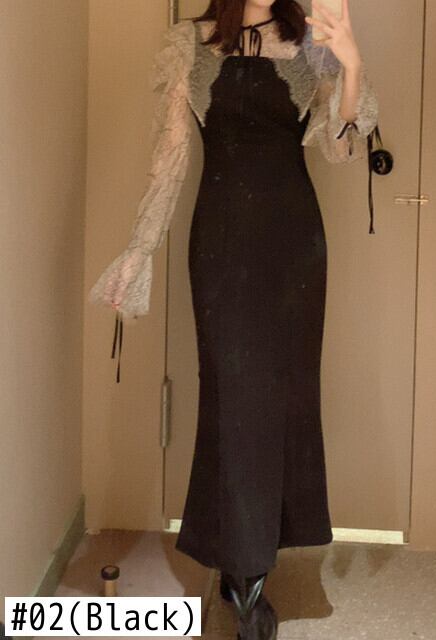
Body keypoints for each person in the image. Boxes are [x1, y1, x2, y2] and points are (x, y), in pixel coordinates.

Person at [88, 0, 379, 637]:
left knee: (284, 398)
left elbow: (340, 148)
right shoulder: (188, 44)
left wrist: (352, 65)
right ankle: (242, 564)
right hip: (221, 239)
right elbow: (170, 156)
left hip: (293, 242)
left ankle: (250, 570)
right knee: (231, 397)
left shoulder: (311, 44)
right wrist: (139, 250)